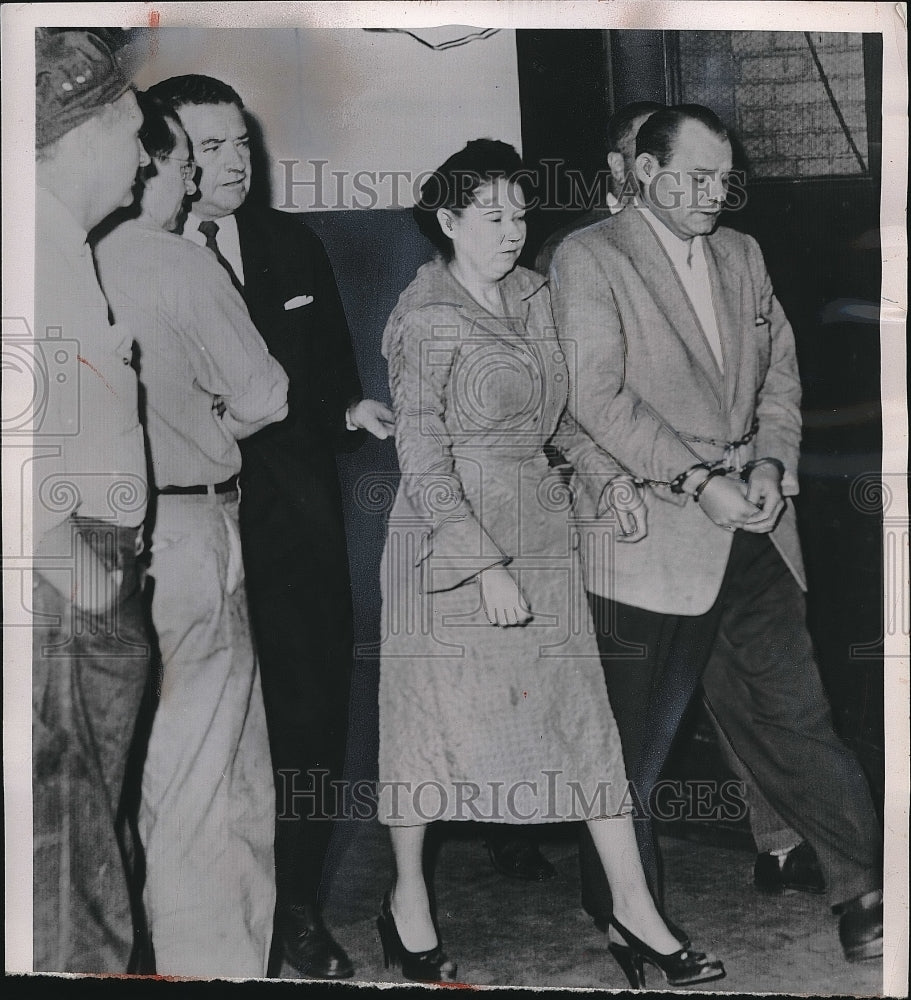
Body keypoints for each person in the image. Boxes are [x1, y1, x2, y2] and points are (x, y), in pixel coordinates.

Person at [375, 138, 725, 990]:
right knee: (428, 735)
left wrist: (607, 479)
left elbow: (561, 421)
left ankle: (633, 913)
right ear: (448, 222)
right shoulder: (420, 319)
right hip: (447, 544)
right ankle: (407, 905)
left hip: (542, 532)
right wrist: (481, 563)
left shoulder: (533, 297)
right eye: (489, 216)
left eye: (519, 213)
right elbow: (420, 457)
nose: (509, 230)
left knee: (584, 728)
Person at [549, 104, 882, 962]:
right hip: (652, 534)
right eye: (694, 177)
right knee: (636, 743)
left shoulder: (743, 254)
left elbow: (778, 374)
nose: (712, 193)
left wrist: (770, 467)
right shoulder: (589, 256)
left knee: (793, 709)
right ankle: (624, 914)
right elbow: (593, 396)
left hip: (754, 526)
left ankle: (867, 885)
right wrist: (696, 480)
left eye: (722, 178)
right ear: (646, 175)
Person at [145, 73, 393, 979]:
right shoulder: (131, 250)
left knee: (305, 720)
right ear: (165, 155)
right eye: (206, 147)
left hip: (293, 526)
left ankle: (295, 911)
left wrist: (348, 413)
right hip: (176, 526)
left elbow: (322, 380)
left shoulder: (292, 245)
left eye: (239, 141)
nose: (231, 163)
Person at [94, 94, 289, 977]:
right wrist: (204, 412)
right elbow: (267, 396)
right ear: (159, 170)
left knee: (130, 773)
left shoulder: (73, 256)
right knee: (211, 781)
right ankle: (213, 965)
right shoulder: (177, 262)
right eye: (183, 162)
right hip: (192, 526)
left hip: (98, 539)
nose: (193, 178)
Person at [32, 29, 152, 973]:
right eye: (135, 135)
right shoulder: (32, 249)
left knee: (87, 834)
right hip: (66, 584)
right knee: (69, 850)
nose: (146, 157)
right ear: (77, 140)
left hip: (87, 570)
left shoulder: (60, 245)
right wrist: (90, 588)